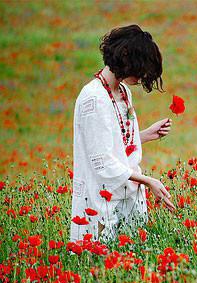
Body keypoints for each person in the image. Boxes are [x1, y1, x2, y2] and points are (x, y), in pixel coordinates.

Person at [70, 24, 175, 244]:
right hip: (102, 201)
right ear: (125, 58)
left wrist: (144, 135)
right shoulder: (94, 98)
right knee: (101, 263)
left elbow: (117, 140)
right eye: (139, 68)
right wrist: (148, 181)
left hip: (128, 195)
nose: (141, 76)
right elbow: (103, 162)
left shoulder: (123, 92)